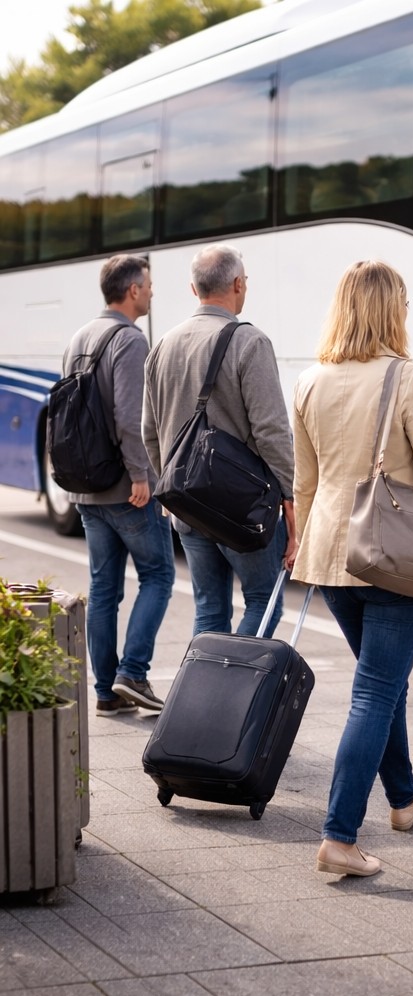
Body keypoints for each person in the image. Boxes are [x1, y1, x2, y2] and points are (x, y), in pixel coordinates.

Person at [287, 260, 413, 878]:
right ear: (392, 310)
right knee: (374, 689)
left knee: (380, 680)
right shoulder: (408, 377)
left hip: (331, 552)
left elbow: (305, 482)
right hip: (395, 551)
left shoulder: (311, 380)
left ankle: (403, 799)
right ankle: (339, 835)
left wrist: (301, 546)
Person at [143, 244, 295, 637]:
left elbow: (149, 429)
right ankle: (236, 692)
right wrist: (292, 497)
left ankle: (204, 694)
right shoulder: (250, 342)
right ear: (238, 284)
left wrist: (170, 488)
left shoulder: (162, 345)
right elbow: (272, 432)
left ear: (194, 290)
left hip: (188, 506)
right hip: (241, 508)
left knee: (209, 610)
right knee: (263, 601)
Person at [65, 255, 176, 716]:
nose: (151, 292)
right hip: (124, 488)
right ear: (132, 290)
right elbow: (131, 417)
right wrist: (140, 475)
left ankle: (106, 692)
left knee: (104, 588)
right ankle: (133, 671)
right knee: (159, 574)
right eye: (148, 285)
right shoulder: (129, 340)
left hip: (86, 486)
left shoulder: (80, 335)